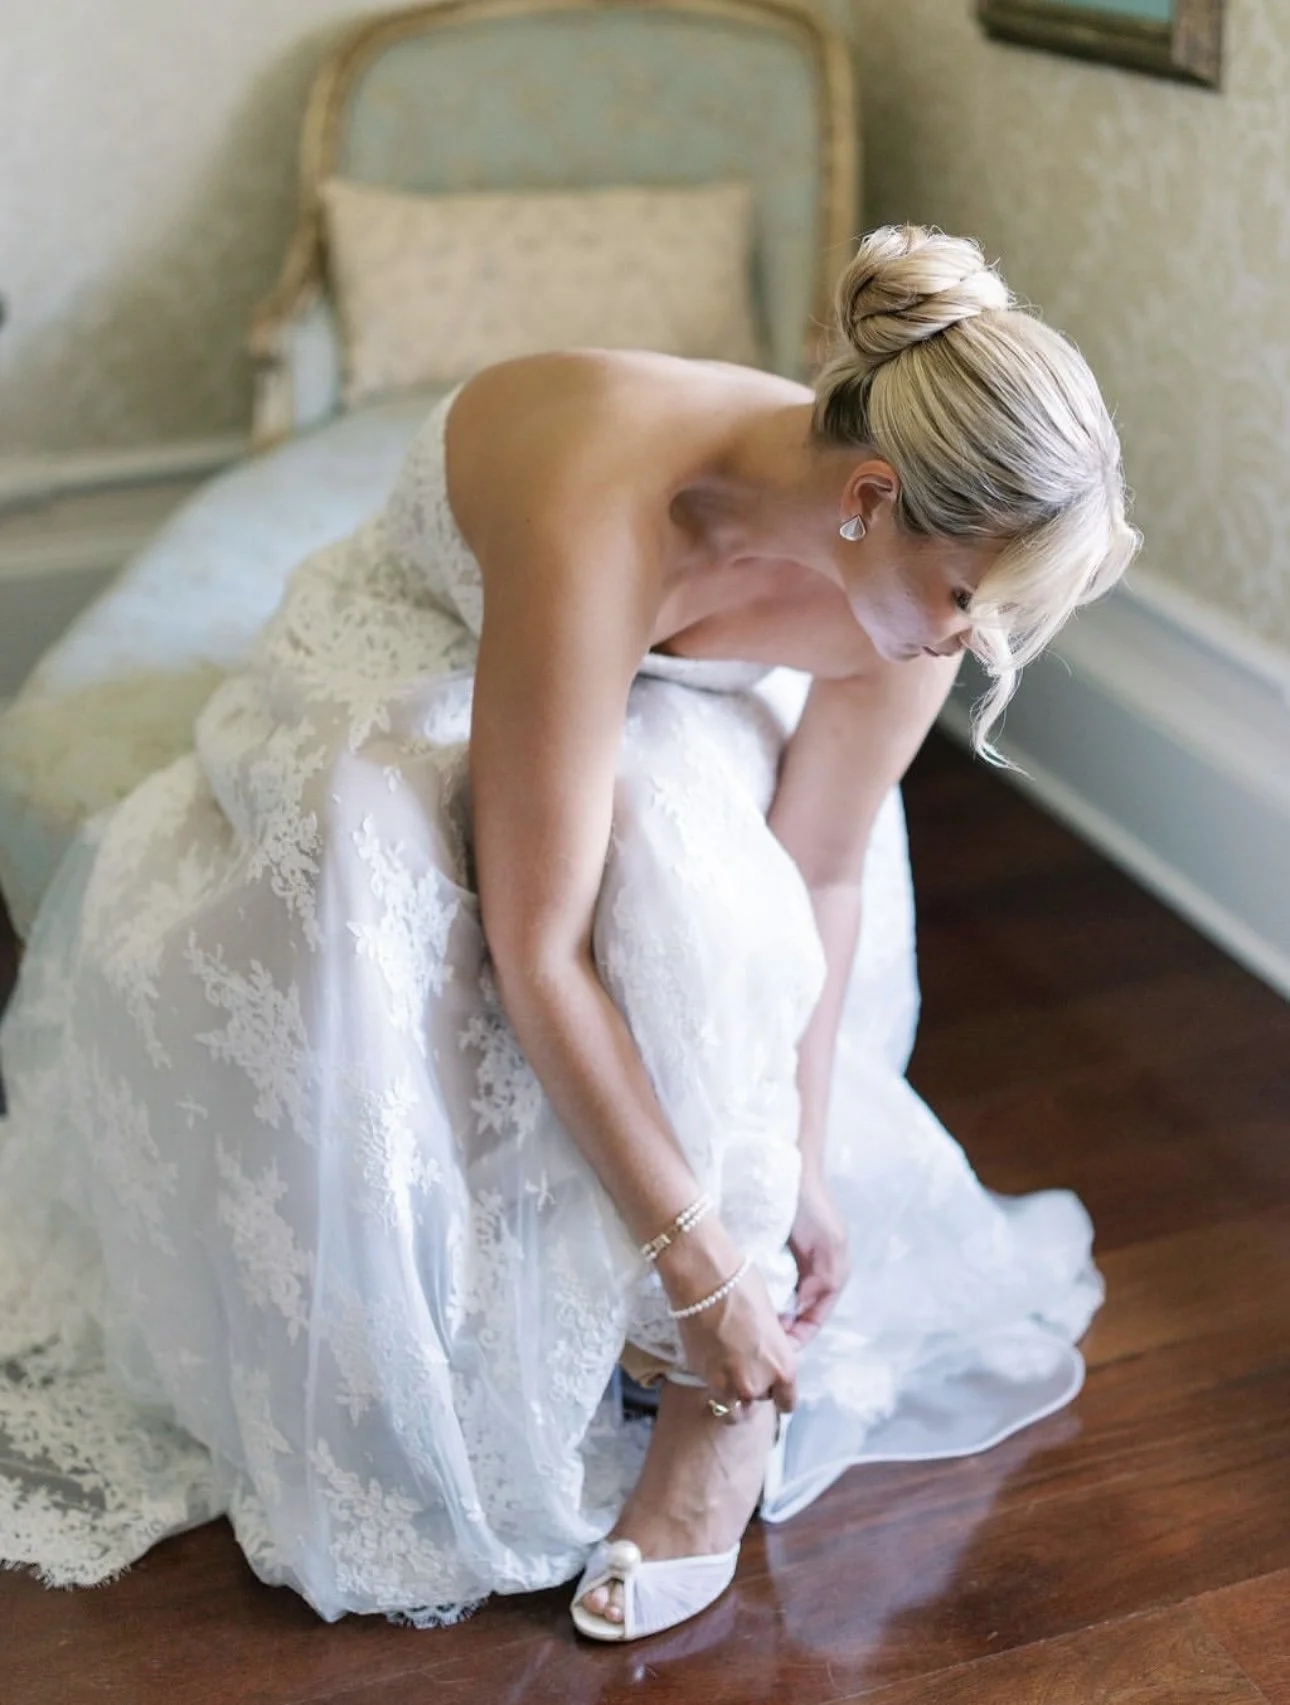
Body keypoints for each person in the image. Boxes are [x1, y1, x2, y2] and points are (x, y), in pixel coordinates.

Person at [0, 225, 1138, 1642]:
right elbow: (539, 950)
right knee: (418, 870)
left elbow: (823, 877)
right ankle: (633, 1324)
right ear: (867, 496)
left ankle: (717, 1403)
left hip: (681, 706)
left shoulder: (904, 609)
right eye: (971, 601)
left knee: (695, 883)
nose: (971, 648)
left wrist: (792, 1170)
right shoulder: (606, 494)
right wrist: (695, 1259)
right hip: (425, 650)